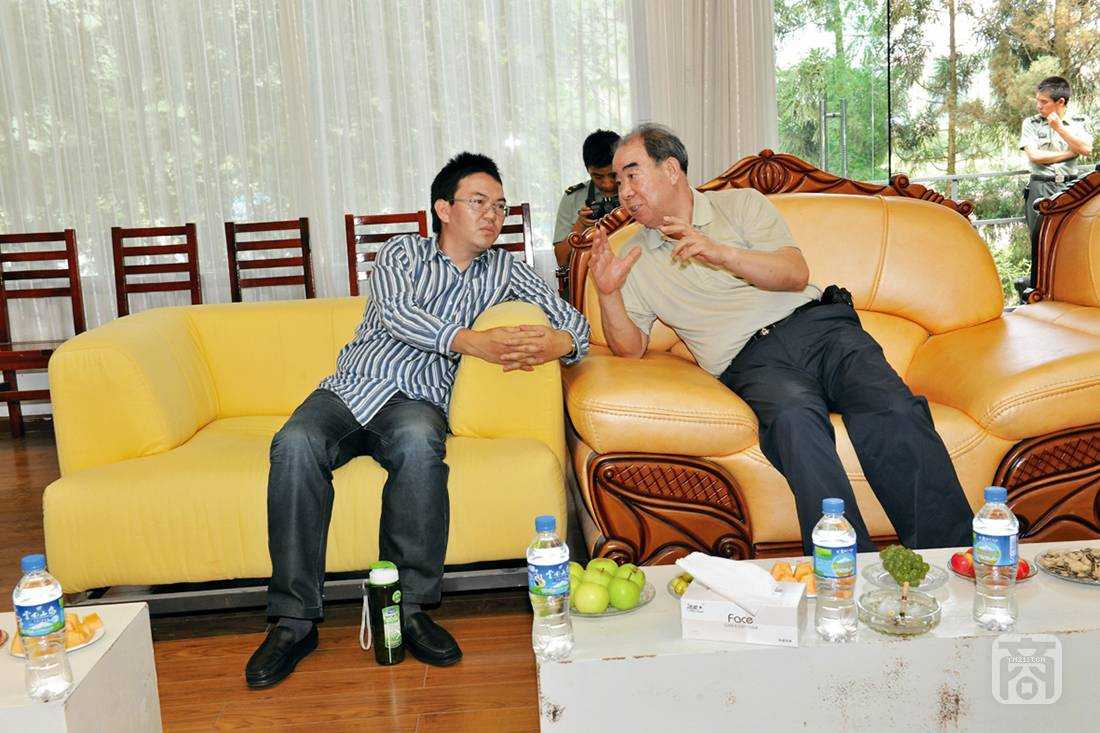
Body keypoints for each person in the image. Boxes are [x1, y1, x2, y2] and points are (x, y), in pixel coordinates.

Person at [245, 152, 590, 688]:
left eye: (500, 206)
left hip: (418, 399)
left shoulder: (506, 270)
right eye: (479, 202)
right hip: (351, 387)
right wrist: (472, 341)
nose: (493, 215)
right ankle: (293, 621)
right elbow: (398, 313)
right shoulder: (402, 251)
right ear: (444, 209)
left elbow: (573, 321)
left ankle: (408, 610)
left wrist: (558, 343)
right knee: (293, 444)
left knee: (418, 445)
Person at [589, 123, 973, 555]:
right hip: (753, 362)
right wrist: (608, 293)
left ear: (671, 169)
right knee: (794, 423)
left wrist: (721, 252)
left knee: (893, 407)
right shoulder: (634, 256)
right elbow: (630, 347)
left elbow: (794, 274)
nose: (623, 191)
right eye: (618, 180)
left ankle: (950, 557)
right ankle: (843, 570)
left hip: (820, 329)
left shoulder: (741, 205)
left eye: (633, 174)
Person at [1020, 76, 1093, 256]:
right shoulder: (1031, 123)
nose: (1039, 106)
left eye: (1044, 102)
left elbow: (1086, 149)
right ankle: (1038, 275)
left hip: (1071, 187)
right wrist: (1070, 153)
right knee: (1039, 241)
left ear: (1060, 102)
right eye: (1037, 101)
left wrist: (1059, 128)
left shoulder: (1078, 122)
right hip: (1040, 186)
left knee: (1072, 239)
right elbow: (1035, 156)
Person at [553, 129, 622, 271]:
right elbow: (562, 261)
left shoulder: (638, 192)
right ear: (587, 170)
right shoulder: (573, 198)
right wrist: (581, 225)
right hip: (589, 275)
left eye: (613, 175)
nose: (607, 184)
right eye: (598, 177)